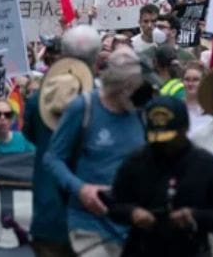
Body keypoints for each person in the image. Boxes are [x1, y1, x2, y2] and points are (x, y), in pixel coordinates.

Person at [45, 48, 150, 257]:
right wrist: (80, 188)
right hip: (89, 223)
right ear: (121, 87)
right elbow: (53, 158)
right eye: (134, 87)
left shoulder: (141, 112)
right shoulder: (83, 107)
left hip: (131, 224)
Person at [105, 95, 213, 257]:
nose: (163, 145)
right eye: (156, 139)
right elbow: (115, 206)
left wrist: (193, 216)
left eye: (170, 139)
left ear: (185, 129)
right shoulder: (135, 162)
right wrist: (133, 212)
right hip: (143, 248)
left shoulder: (205, 164)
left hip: (190, 249)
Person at [27, 26, 101, 257]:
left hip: (48, 215)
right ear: (97, 60)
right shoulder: (104, 103)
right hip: (91, 218)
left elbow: (30, 136)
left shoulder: (38, 100)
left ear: (62, 56)